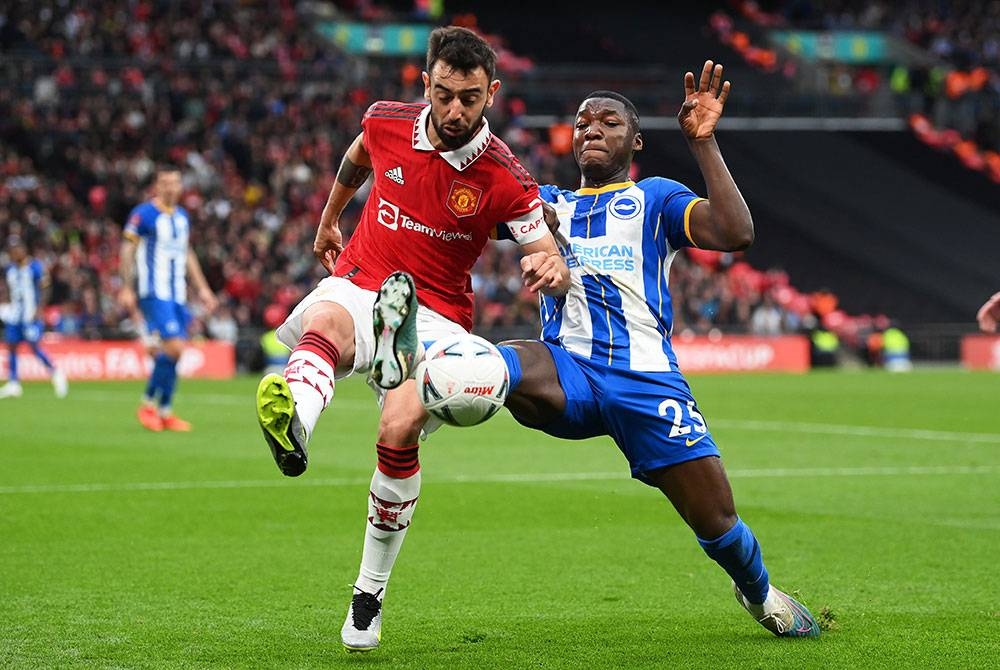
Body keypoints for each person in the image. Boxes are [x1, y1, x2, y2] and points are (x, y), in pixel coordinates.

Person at [252, 26, 570, 651]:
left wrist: (549, 266)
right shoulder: (385, 121)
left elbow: (542, 247)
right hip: (363, 276)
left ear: (492, 94)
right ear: (425, 83)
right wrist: (329, 221)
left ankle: (368, 594)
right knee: (328, 323)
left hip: (439, 315)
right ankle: (297, 429)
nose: (455, 111)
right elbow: (354, 161)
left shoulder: (506, 176)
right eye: (444, 94)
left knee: (397, 432)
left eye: (470, 99)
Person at [493, 63, 821, 637]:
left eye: (609, 121)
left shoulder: (655, 199)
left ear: (636, 141)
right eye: (582, 122)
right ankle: (433, 389)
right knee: (501, 361)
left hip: (646, 382)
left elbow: (735, 233)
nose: (591, 128)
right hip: (566, 369)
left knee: (718, 522)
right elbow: (465, 206)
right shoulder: (543, 205)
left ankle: (760, 593)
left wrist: (704, 143)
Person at [117, 166, 218, 432]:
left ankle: (165, 411)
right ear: (157, 186)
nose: (171, 187)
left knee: (174, 354)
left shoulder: (182, 217)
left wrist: (203, 289)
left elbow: (187, 255)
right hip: (154, 291)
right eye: (165, 183)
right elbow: (128, 250)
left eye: (175, 182)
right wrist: (126, 287)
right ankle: (147, 404)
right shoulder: (143, 215)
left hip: (177, 294)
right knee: (174, 348)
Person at [0, 236, 68, 399]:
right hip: (15, 315)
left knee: (33, 346)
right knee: (11, 345)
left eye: (16, 249)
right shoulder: (10, 269)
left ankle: (56, 372)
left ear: (23, 250)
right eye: (11, 250)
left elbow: (45, 288)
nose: (14, 253)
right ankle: (14, 382)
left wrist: (39, 309)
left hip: (31, 315)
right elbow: (9, 290)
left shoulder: (35, 267)